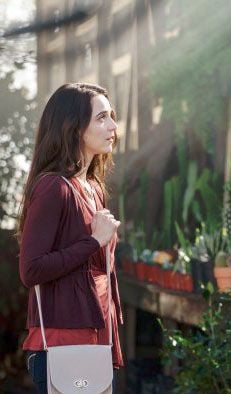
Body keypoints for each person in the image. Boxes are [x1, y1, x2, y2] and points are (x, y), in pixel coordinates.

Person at [17, 83, 123, 393]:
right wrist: (93, 241)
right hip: (65, 342)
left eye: (112, 116)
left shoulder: (93, 187)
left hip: (97, 338)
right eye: (102, 118)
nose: (113, 126)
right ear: (74, 128)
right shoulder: (54, 188)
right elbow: (31, 269)